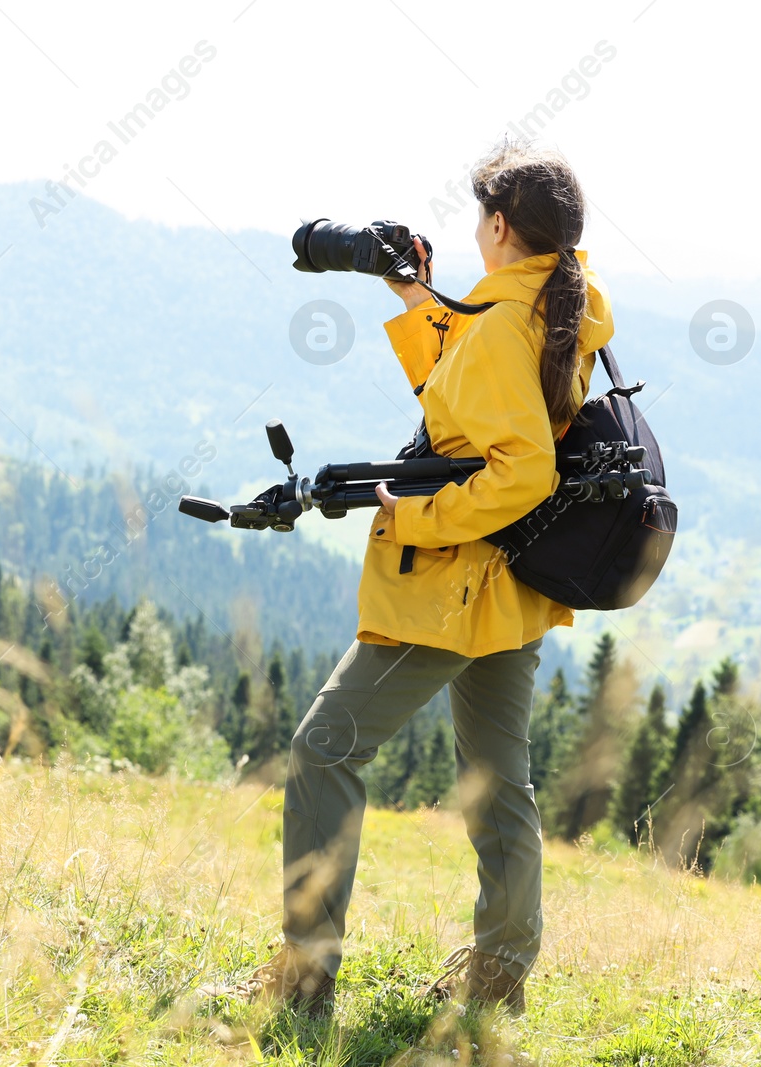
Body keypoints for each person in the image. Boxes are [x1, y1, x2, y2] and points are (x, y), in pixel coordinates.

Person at [239, 141, 613, 1016]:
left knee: (323, 748)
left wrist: (416, 518)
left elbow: (518, 467)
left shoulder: (504, 319)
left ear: (498, 225)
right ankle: (498, 985)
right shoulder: (561, 304)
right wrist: (415, 294)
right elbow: (470, 401)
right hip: (518, 581)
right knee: (497, 784)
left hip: (457, 584)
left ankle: (302, 984)